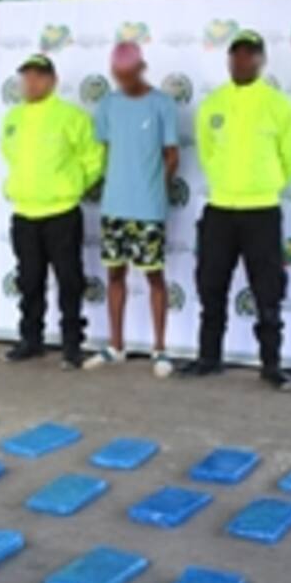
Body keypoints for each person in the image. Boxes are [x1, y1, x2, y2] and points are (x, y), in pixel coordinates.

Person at [176, 29, 291, 391]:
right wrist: (225, 181)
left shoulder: (279, 106)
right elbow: (207, 151)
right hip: (219, 209)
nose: (241, 62)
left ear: (261, 61)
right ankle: (209, 358)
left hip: (261, 210)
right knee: (210, 283)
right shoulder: (214, 103)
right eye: (235, 56)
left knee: (267, 290)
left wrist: (266, 182)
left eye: (248, 56)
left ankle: (271, 365)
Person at [1, 53, 105, 369]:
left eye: (38, 76)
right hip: (24, 213)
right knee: (29, 280)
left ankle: (72, 345)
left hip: (61, 212)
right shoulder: (13, 119)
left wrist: (72, 185)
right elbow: (12, 159)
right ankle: (31, 340)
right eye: (26, 77)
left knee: (69, 280)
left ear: (52, 81)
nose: (31, 83)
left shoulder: (72, 117)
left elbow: (94, 159)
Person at [84, 41, 179, 378]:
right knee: (114, 274)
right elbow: (104, 151)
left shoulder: (162, 104)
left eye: (128, 74)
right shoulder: (108, 105)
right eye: (117, 75)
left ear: (141, 68)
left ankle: (160, 349)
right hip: (114, 206)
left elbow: (172, 155)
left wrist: (156, 187)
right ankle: (116, 345)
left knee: (154, 276)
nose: (123, 81)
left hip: (148, 209)